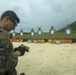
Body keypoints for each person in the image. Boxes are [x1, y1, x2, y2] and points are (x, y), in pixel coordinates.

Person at [0, 10, 28, 75]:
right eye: (14, 24)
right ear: (6, 19)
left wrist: (14, 50)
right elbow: (2, 65)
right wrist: (17, 53)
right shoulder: (2, 34)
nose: (14, 28)